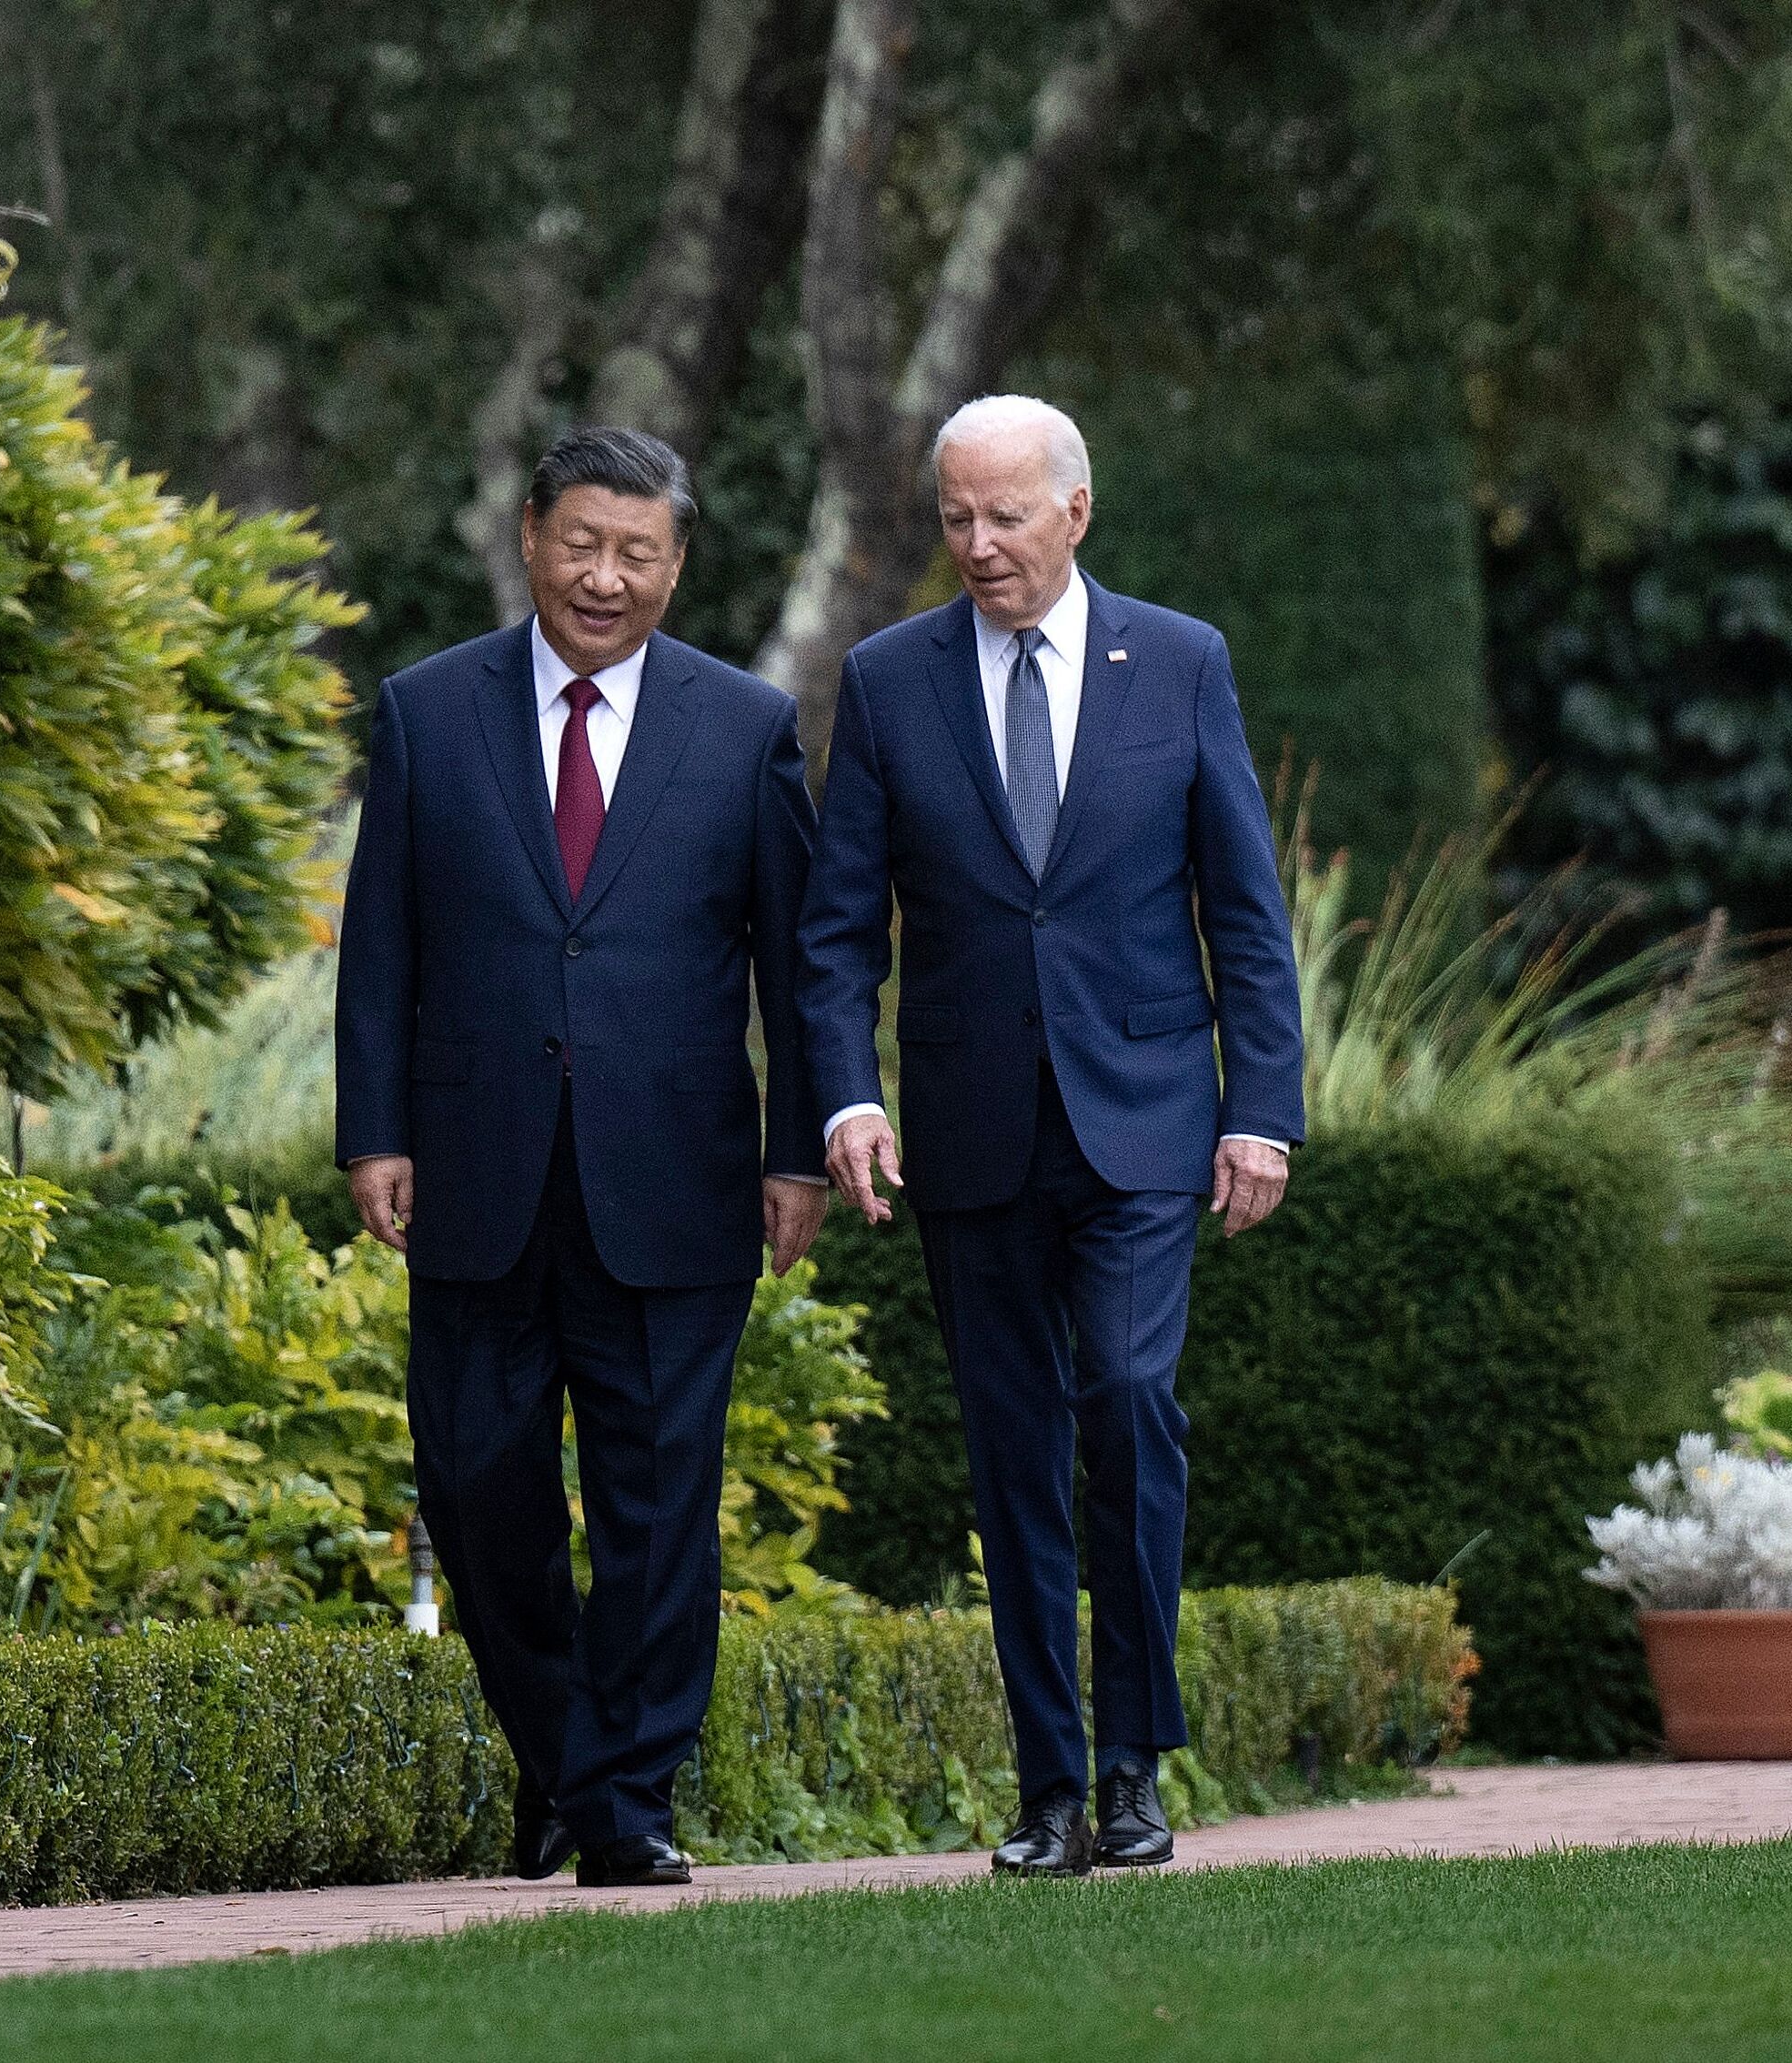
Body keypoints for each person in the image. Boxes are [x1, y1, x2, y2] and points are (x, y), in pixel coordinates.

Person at [799, 395, 1304, 1876]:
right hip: (970, 1134)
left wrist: (1262, 1108)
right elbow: (838, 933)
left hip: (1146, 1122)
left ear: (1076, 512)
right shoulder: (890, 682)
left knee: (1133, 1407)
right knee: (1011, 1452)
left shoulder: (1183, 661)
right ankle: (1049, 1789)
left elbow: (1245, 915)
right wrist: (847, 1092)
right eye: (956, 516)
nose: (979, 546)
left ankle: (1137, 1764)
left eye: (1007, 516)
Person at [335, 426, 828, 1888]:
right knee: (479, 1487)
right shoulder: (429, 712)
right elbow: (383, 947)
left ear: (677, 564)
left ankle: (624, 1808)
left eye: (639, 552)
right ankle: (564, 1757)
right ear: (532, 535)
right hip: (479, 1175)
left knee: (661, 1501)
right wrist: (375, 1129)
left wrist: (799, 1148)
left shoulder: (744, 727)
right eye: (580, 544)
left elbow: (796, 968)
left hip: (675, 1178)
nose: (604, 577)